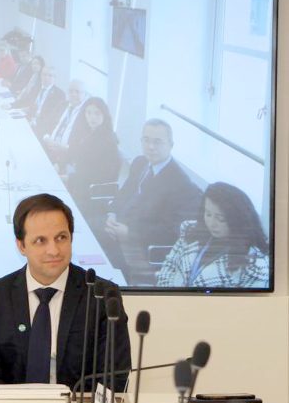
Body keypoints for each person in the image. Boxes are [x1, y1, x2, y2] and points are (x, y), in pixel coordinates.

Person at [0, 194, 131, 392]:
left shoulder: (101, 296)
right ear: (21, 246)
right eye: (40, 241)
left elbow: (114, 378)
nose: (54, 251)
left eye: (61, 238)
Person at [102, 119, 201, 283]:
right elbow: (124, 193)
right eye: (146, 140)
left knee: (103, 264)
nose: (151, 147)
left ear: (171, 145)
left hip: (143, 247)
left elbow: (171, 231)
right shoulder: (141, 162)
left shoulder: (180, 183)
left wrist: (129, 233)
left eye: (157, 142)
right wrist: (112, 214)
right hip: (119, 228)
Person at [156, 182, 269, 288]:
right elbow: (169, 267)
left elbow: (248, 302)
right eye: (208, 214)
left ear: (237, 219)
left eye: (220, 218)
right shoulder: (190, 229)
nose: (212, 224)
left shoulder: (255, 265)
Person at [63, 97, 120, 207]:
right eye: (88, 113)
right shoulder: (89, 132)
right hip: (80, 184)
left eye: (97, 113)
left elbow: (99, 176)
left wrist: (69, 178)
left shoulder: (108, 140)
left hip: (90, 194)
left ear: (104, 115)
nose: (92, 117)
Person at [41, 79, 88, 167]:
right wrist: (46, 138)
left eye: (77, 92)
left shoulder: (86, 115)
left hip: (66, 157)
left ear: (85, 95)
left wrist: (65, 148)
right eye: (71, 91)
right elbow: (46, 124)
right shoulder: (62, 105)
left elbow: (82, 147)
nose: (73, 94)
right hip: (47, 148)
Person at [27, 66, 67, 140]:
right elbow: (26, 102)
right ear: (41, 76)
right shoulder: (36, 87)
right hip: (28, 120)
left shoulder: (59, 94)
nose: (46, 77)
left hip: (42, 127)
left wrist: (36, 122)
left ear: (55, 78)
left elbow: (54, 118)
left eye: (50, 75)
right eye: (44, 74)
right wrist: (11, 105)